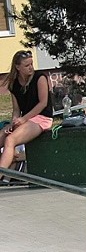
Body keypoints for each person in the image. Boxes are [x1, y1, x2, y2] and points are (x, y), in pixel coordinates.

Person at [1, 50, 52, 182]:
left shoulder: (39, 78)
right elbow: (16, 110)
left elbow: (43, 103)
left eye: (31, 64)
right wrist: (14, 122)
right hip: (26, 119)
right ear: (18, 67)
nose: (31, 67)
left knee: (10, 140)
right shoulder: (14, 83)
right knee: (2, 136)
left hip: (42, 118)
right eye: (27, 65)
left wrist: (23, 119)